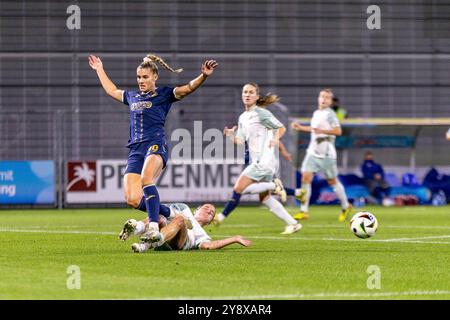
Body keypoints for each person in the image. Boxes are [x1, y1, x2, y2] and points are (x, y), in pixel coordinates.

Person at [88, 54, 218, 242]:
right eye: (139, 77)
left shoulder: (164, 94)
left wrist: (203, 76)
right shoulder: (132, 96)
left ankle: (154, 227)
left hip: (155, 144)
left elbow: (187, 89)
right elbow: (111, 90)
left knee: (146, 179)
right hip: (135, 150)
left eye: (145, 77)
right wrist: (99, 69)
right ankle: (172, 213)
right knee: (132, 199)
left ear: (154, 77)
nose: (141, 81)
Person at [213, 83, 302, 235]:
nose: (247, 95)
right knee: (265, 198)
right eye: (245, 92)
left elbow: (281, 128)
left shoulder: (261, 113)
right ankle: (293, 223)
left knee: (239, 188)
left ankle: (220, 217)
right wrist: (230, 135)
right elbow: (240, 141)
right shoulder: (243, 117)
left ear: (256, 96)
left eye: (251, 92)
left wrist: (275, 139)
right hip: (258, 161)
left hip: (265, 160)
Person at [291, 88, 352, 222]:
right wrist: (301, 128)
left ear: (330, 101)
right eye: (322, 96)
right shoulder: (316, 113)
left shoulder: (330, 114)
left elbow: (338, 131)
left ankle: (345, 206)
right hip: (312, 152)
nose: (324, 99)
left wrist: (323, 131)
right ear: (318, 98)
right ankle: (304, 211)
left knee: (332, 181)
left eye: (327, 97)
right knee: (305, 179)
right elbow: (314, 130)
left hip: (327, 154)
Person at [118, 203, 252, 252]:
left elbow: (209, 246)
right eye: (206, 208)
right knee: (160, 218)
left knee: (180, 219)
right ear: (196, 210)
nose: (209, 211)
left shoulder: (203, 235)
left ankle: (150, 239)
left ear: (211, 221)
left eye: (212, 213)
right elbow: (164, 210)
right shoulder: (184, 208)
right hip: (166, 231)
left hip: (179, 243)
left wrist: (235, 238)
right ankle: (138, 230)